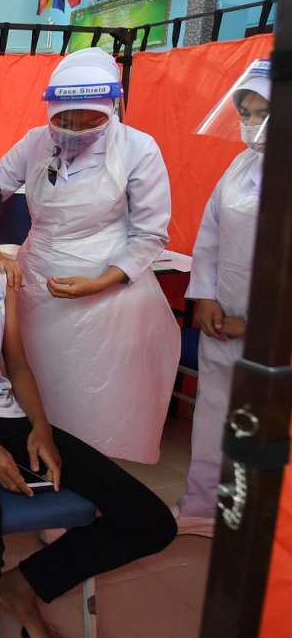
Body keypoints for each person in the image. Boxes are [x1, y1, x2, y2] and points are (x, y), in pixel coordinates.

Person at [0, 167, 176, 638]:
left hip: (3, 412)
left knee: (150, 520)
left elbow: (18, 364)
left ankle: (24, 585)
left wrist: (41, 429)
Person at [0, 47, 180, 464]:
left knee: (95, 397)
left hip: (110, 294)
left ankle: (92, 486)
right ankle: (41, 470)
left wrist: (102, 281)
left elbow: (150, 233)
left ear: (112, 106)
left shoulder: (138, 148)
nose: (75, 129)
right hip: (38, 282)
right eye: (65, 119)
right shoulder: (34, 142)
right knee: (39, 381)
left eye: (90, 119)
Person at [175, 60, 271, 537]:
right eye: (247, 113)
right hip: (223, 319)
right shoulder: (241, 165)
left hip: (273, 337)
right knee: (214, 413)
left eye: (263, 112)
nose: (252, 124)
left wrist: (262, 327)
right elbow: (210, 235)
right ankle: (203, 507)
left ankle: (259, 521)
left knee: (266, 425)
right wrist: (207, 297)